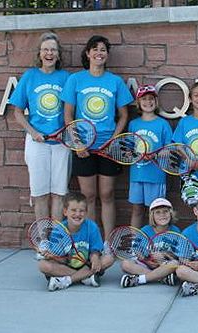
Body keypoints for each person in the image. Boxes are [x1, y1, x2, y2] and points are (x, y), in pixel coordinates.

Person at [62, 35, 133, 239]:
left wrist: (113, 140)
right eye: (95, 49)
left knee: (107, 195)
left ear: (107, 55)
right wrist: (77, 143)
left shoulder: (115, 81)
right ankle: (91, 241)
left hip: (108, 149)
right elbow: (68, 115)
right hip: (83, 148)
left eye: (103, 49)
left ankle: (109, 242)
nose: (99, 53)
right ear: (87, 53)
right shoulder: (75, 80)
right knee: (88, 197)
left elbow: (124, 115)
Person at [10, 32, 70, 221]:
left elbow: (71, 112)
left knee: (59, 194)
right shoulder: (30, 76)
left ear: (58, 54)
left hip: (61, 143)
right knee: (40, 194)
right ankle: (43, 242)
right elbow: (17, 112)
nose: (49, 53)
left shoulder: (67, 78)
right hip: (37, 143)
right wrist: (34, 133)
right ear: (39, 53)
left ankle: (57, 242)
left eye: (53, 49)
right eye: (45, 50)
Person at [38, 192, 114, 291]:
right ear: (65, 212)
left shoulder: (92, 227)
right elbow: (63, 260)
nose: (78, 214)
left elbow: (95, 250)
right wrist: (53, 256)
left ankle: (66, 281)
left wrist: (95, 257)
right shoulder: (59, 230)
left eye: (81, 211)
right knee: (43, 265)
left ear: (86, 212)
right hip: (66, 266)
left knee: (109, 258)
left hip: (87, 264)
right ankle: (84, 277)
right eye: (73, 210)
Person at [127, 85, 173, 227]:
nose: (148, 102)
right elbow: (128, 150)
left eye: (151, 98)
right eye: (144, 99)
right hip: (137, 175)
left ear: (156, 101)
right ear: (138, 103)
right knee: (137, 210)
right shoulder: (133, 124)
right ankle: (135, 244)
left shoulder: (163, 124)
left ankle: (155, 243)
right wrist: (136, 155)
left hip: (155, 176)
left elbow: (169, 149)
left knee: (156, 211)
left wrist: (156, 155)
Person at [119, 197, 181, 288]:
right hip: (147, 264)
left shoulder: (175, 231)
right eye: (158, 212)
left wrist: (165, 254)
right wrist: (147, 260)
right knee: (125, 264)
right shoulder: (145, 230)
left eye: (165, 211)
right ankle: (162, 278)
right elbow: (137, 251)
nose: (162, 215)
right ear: (152, 216)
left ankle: (140, 279)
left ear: (171, 214)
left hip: (165, 265)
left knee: (174, 264)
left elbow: (178, 254)